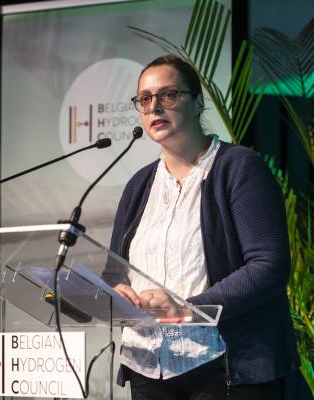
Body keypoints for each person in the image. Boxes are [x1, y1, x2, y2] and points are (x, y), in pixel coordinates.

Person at [105, 54, 300, 400]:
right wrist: (117, 293)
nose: (154, 107)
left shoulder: (238, 168)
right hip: (148, 365)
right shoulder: (139, 185)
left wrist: (188, 309)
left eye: (168, 95)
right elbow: (114, 272)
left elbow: (269, 265)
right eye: (145, 99)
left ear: (197, 103)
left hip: (224, 364)